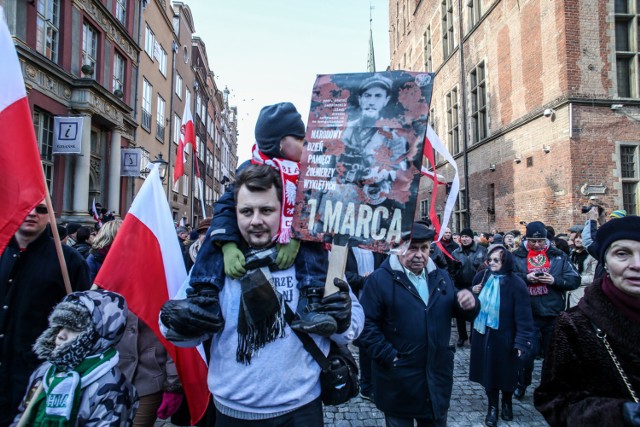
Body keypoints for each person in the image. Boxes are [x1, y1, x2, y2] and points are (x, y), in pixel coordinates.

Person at [160, 164, 364, 425]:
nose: (255, 220)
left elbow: (353, 324)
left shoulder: (313, 262)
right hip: (232, 412)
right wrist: (178, 321)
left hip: (301, 411)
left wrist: (343, 318)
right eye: (247, 211)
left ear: (284, 212)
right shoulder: (213, 267)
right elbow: (177, 332)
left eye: (266, 210)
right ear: (235, 214)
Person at [189, 102, 335, 337]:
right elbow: (226, 208)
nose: (305, 145)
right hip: (241, 252)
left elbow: (315, 206)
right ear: (279, 143)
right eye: (299, 139)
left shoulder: (309, 173)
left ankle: (313, 299)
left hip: (296, 244)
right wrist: (226, 245)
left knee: (313, 245)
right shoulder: (249, 169)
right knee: (214, 236)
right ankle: (203, 296)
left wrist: (297, 234)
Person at [358, 222, 479, 427]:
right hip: (398, 380)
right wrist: (390, 355)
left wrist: (469, 304)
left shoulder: (440, 277)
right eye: (413, 248)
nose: (419, 254)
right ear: (399, 248)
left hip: (436, 378)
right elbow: (365, 327)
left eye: (425, 248)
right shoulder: (380, 280)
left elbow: (456, 308)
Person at [534, 215, 640, 426]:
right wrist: (619, 414)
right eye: (622, 254)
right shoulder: (575, 324)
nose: (636, 265)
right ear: (605, 263)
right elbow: (554, 401)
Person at [0, 202, 90, 426]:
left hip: (35, 376)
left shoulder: (68, 261)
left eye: (40, 209)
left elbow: (84, 323)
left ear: (50, 213)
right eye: (24, 206)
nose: (31, 213)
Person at [11, 289, 138, 425]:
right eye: (60, 326)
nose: (61, 335)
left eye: (74, 329)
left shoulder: (112, 388)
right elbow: (23, 414)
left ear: (96, 336)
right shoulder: (45, 372)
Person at [510, 221, 580, 400]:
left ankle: (548, 387)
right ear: (526, 240)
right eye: (533, 241)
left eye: (540, 241)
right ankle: (522, 383)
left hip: (552, 312)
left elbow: (574, 279)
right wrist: (526, 278)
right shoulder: (517, 256)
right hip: (528, 314)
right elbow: (507, 277)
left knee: (553, 354)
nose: (537, 245)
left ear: (546, 239)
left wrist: (554, 280)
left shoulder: (558, 256)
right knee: (527, 354)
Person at [469, 246, 534, 426]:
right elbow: (471, 307)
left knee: (507, 372)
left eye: (496, 260)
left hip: (506, 336)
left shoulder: (516, 284)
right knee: (488, 372)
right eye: (490, 260)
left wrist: (521, 342)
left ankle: (507, 402)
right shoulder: (482, 277)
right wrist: (472, 293)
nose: (492, 263)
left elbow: (524, 316)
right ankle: (492, 407)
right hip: (484, 335)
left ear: (506, 262)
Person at [339, 75, 409, 206]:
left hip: (375, 201)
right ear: (360, 99)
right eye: (367, 95)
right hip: (342, 199)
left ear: (386, 100)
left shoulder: (394, 136)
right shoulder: (344, 130)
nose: (371, 102)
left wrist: (384, 173)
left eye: (378, 96)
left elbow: (402, 173)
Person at [346, 244, 386, 401]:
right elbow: (340, 274)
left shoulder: (378, 248)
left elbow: (386, 268)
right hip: (356, 300)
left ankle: (377, 382)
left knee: (377, 338)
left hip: (377, 301)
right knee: (365, 344)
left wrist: (375, 279)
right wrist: (363, 281)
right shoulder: (346, 248)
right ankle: (366, 385)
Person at [451, 227, 488, 347]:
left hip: (476, 285)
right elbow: (451, 271)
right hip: (460, 285)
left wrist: (482, 284)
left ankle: (473, 336)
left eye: (467, 237)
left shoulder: (482, 251)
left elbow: (486, 270)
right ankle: (462, 336)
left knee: (475, 311)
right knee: (459, 312)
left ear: (472, 238)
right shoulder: (456, 253)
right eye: (463, 237)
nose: (464, 239)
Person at [567, 231, 597, 308]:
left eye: (581, 238)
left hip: (583, 292)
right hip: (569, 293)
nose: (578, 240)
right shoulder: (572, 254)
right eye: (576, 237)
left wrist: (577, 279)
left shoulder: (592, 256)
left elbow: (594, 277)